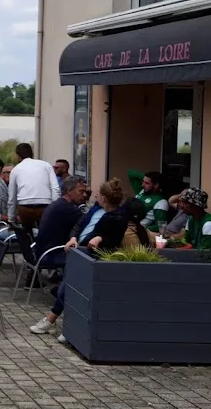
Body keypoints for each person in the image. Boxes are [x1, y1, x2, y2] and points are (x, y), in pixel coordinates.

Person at [30, 178, 129, 339]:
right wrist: (73, 238)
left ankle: (55, 323)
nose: (94, 196)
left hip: (94, 257)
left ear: (103, 198)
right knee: (67, 287)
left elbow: (114, 238)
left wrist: (100, 238)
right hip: (78, 251)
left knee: (70, 289)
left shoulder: (117, 217)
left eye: (98, 194)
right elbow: (79, 224)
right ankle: (58, 324)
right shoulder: (95, 209)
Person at [31, 176, 87, 272]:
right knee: (86, 259)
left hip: (41, 251)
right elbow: (86, 222)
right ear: (69, 191)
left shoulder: (57, 204)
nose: (84, 195)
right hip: (51, 254)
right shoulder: (67, 209)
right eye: (81, 191)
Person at [7, 143, 60, 231]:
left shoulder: (15, 170)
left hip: (24, 207)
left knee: (27, 233)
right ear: (32, 153)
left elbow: (12, 197)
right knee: (46, 233)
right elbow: (55, 188)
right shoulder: (46, 165)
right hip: (45, 206)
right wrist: (54, 208)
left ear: (18, 156)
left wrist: (11, 219)